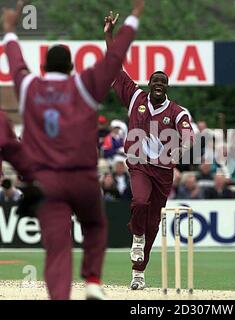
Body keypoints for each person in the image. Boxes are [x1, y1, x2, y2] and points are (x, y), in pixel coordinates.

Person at [2, 0, 144, 300]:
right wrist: (133, 18)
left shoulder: (28, 87)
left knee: (57, 248)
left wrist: (10, 31)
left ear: (42, 67)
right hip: (82, 179)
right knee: (94, 224)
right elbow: (115, 58)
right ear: (70, 67)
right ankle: (92, 279)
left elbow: (15, 62)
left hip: (46, 182)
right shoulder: (84, 84)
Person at [104, 13, 195, 290]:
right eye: (154, 80)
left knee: (154, 222)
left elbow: (188, 132)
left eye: (162, 82)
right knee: (140, 202)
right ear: (149, 83)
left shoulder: (176, 110)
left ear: (166, 87)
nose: (157, 84)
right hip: (139, 164)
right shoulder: (134, 97)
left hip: (164, 171)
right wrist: (109, 35)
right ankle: (137, 238)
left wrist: (182, 147)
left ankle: (138, 273)